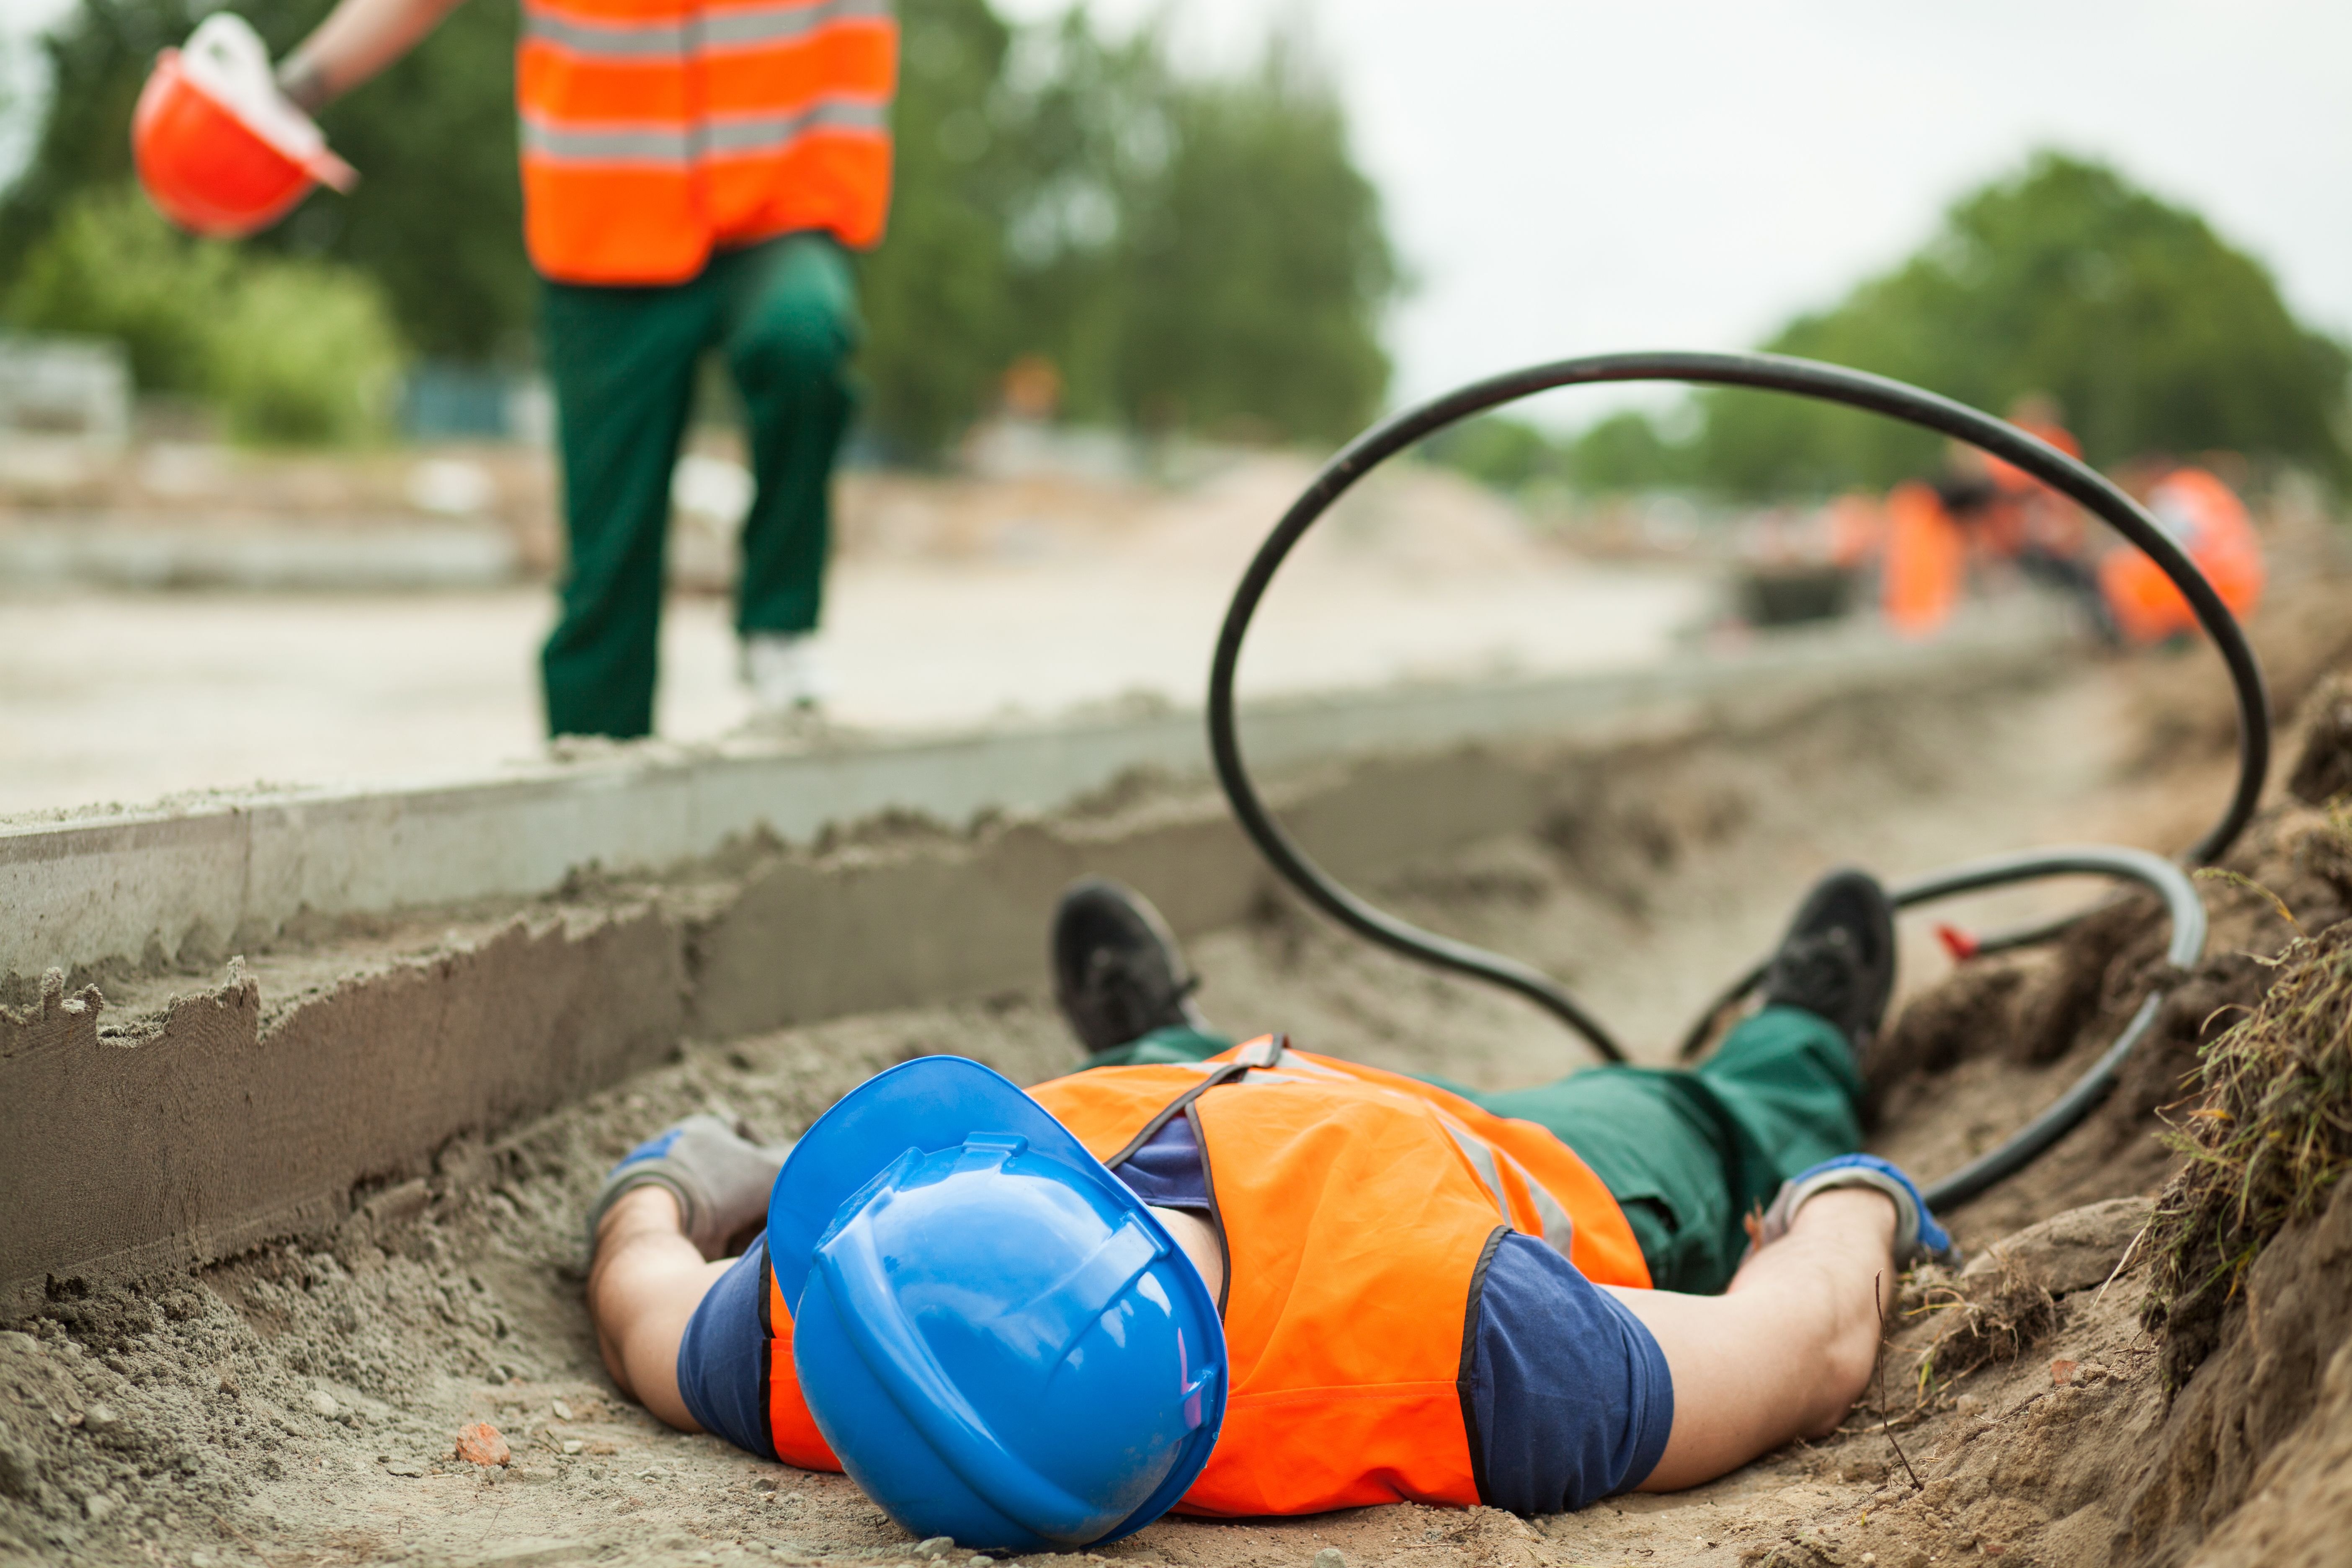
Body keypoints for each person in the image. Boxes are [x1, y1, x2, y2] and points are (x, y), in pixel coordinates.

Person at [583, 868, 1955, 1545]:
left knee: (1165, 1077)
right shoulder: (1482, 1349)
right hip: (1497, 1164)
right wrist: (1846, 1204)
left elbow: (647, 1296)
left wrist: (675, 1181)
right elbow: (1803, 1347)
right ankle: (1799, 1036)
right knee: (1699, 1118)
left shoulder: (850, 1347)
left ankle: (1168, 1034)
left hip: (1207, 1089)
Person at [266, 0, 895, 732]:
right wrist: (291, 91)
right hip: (608, 224)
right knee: (609, 558)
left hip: (781, 199)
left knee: (802, 337)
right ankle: (596, 770)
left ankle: (780, 628)